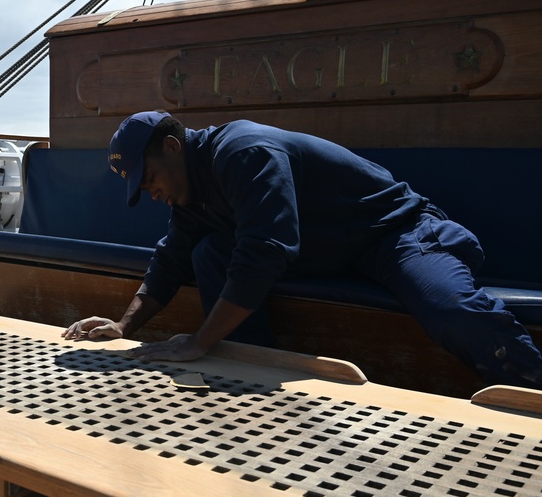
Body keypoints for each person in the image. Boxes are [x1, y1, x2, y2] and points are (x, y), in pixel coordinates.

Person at [63, 110, 542, 391]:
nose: (150, 192)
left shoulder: (243, 152)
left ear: (171, 146)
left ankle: (531, 389)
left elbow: (265, 249)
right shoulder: (192, 193)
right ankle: (252, 373)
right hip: (325, 250)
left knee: (450, 309)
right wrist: (124, 326)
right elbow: (171, 258)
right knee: (206, 250)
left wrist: (201, 340)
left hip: (391, 234)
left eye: (147, 178)